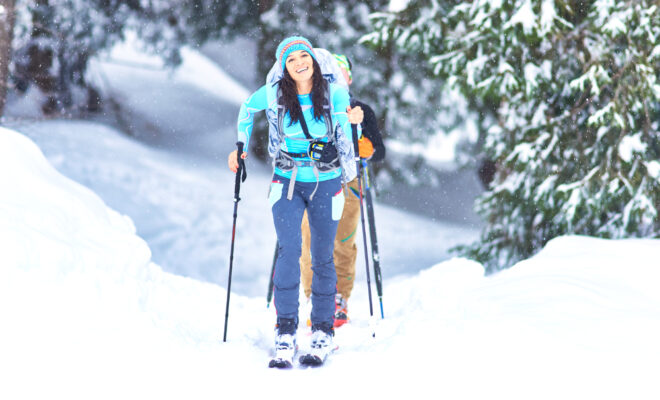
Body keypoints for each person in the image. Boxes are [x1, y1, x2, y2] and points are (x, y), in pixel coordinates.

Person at [228, 36, 363, 366]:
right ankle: (285, 330)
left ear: (314, 60)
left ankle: (322, 331)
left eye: (305, 55)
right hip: (286, 181)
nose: (300, 62)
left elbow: (347, 134)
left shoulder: (335, 93)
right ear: (283, 67)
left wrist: (355, 124)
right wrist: (240, 145)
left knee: (323, 256)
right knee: (289, 251)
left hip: (327, 183)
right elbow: (247, 109)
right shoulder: (274, 94)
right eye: (291, 59)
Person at [300, 53, 386, 328]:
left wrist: (363, 147)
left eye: (341, 72)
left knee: (342, 240)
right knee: (308, 239)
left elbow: (378, 150)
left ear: (348, 77)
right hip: (312, 179)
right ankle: (313, 295)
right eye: (330, 72)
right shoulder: (310, 106)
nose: (336, 77)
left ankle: (338, 297)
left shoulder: (361, 109)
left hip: (348, 182)